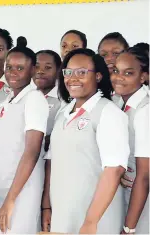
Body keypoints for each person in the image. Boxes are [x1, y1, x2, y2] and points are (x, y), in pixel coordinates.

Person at [45, 48, 130, 234]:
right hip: (63, 215)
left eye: (82, 72)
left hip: (95, 220)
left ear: (98, 76)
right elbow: (53, 162)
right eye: (68, 72)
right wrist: (46, 207)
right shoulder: (64, 113)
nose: (73, 78)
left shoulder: (108, 113)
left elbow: (114, 170)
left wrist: (91, 221)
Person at [0, 36, 49, 234]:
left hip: (21, 190)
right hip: (0, 185)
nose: (12, 73)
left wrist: (11, 199)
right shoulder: (5, 102)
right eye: (9, 67)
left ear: (33, 70)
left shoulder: (34, 99)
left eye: (20, 68)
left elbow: (32, 151)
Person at [111, 46, 149, 234]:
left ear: (143, 77)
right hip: (125, 192)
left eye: (128, 73)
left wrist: (129, 228)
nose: (119, 77)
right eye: (116, 71)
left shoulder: (145, 110)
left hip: (142, 199)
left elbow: (145, 176)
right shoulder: (118, 102)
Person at [31, 50, 66, 231]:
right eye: (37, 66)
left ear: (59, 70)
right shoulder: (27, 96)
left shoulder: (64, 101)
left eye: (48, 67)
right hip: (28, 171)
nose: (41, 71)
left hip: (52, 172)